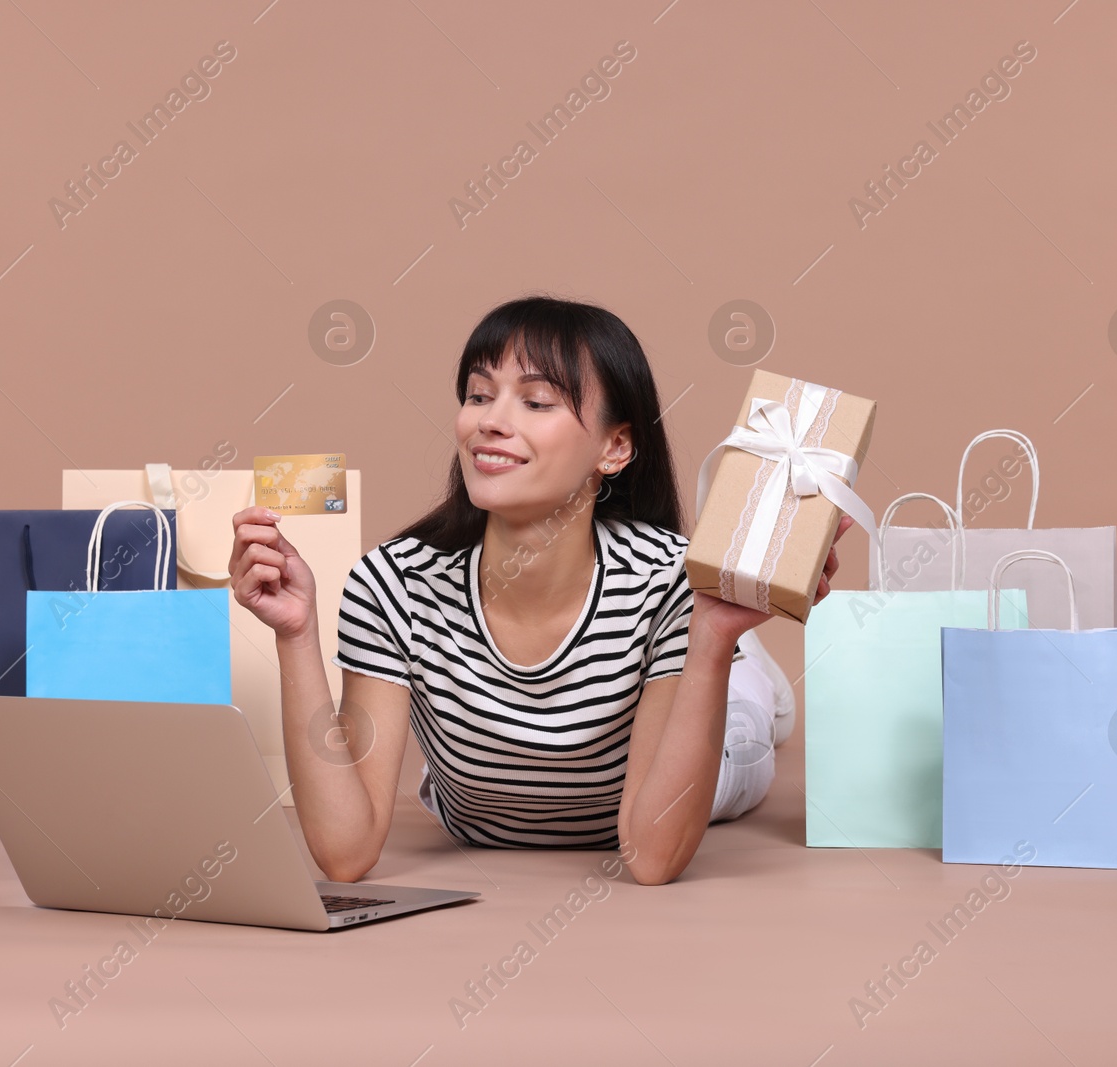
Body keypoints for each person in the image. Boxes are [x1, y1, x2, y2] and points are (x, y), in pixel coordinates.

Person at [228, 296, 851, 885]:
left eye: (537, 402)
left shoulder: (668, 585)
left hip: (696, 761)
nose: (490, 422)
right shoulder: (393, 585)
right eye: (478, 395)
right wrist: (296, 635)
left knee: (750, 721)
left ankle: (750, 680)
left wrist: (712, 639)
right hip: (493, 805)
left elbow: (652, 859)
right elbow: (345, 852)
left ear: (615, 446)